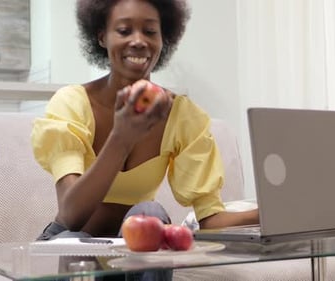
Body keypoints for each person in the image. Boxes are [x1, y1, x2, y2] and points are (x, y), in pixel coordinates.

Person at [31, 0, 259, 279]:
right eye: (124, 31)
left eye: (150, 32)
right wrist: (121, 138)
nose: (138, 41)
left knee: (149, 211)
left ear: (165, 39)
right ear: (102, 36)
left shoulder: (183, 116)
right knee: (73, 241)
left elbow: (210, 220)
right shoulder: (72, 103)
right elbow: (71, 215)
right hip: (73, 245)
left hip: (135, 258)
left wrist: (275, 211)